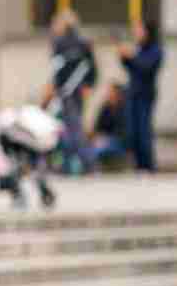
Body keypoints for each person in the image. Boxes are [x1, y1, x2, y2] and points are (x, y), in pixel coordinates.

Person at [47, 10, 98, 175]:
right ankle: (71, 164)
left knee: (72, 128)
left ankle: (85, 163)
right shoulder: (83, 43)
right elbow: (92, 67)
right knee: (72, 127)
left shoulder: (59, 43)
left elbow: (58, 69)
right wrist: (89, 84)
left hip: (67, 91)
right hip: (77, 90)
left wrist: (55, 87)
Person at [119, 19, 164, 173]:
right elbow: (132, 68)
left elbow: (146, 67)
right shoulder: (138, 48)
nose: (136, 33)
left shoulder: (155, 50)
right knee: (133, 130)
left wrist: (131, 57)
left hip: (145, 94)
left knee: (144, 129)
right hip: (133, 93)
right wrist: (124, 57)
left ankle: (148, 164)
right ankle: (138, 164)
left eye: (139, 30)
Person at [89, 82, 129, 166]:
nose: (109, 94)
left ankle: (91, 167)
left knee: (98, 149)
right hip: (103, 141)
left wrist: (107, 139)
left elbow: (124, 132)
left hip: (118, 142)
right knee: (91, 146)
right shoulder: (105, 108)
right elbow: (98, 127)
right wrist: (97, 137)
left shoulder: (124, 109)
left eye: (112, 92)